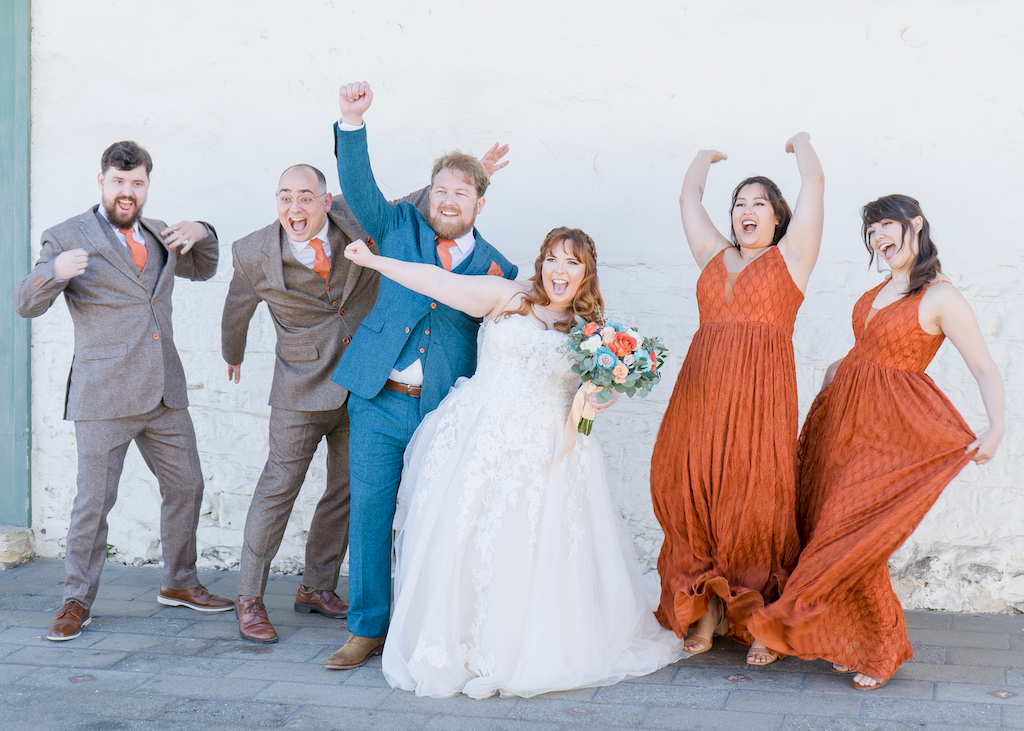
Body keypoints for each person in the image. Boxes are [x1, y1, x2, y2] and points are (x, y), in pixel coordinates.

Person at [344, 226, 684, 698]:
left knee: (529, 544)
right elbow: (437, 282)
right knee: (468, 539)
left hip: (550, 447)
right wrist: (375, 262)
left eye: (572, 263)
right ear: (540, 263)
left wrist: (600, 396)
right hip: (482, 436)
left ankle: (522, 646)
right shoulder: (508, 297)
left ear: (586, 274)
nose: (559, 271)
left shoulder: (592, 333)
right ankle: (459, 645)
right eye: (552, 260)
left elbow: (595, 391)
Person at [222, 157, 503, 643]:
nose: (296, 207)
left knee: (345, 491)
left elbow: (423, 201)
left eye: (306, 197)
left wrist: (472, 175)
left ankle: (317, 586)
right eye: (286, 198)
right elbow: (236, 310)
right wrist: (234, 353)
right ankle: (250, 598)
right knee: (279, 485)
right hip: (300, 387)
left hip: (367, 380)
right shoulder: (251, 253)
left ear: (325, 201)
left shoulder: (353, 217)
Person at [750, 194, 1005, 690]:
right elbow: (862, 352)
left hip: (886, 434)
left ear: (917, 225)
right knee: (824, 523)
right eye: (871, 231)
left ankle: (874, 645)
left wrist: (996, 427)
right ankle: (849, 639)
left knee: (852, 535)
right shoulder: (882, 289)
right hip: (841, 420)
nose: (878, 237)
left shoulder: (940, 297)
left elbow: (983, 366)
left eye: (887, 225)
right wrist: (828, 382)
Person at [324, 81, 519, 670]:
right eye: (441, 190)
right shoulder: (398, 228)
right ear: (429, 195)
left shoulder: (499, 269)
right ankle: (366, 628)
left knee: (437, 520)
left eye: (462, 192)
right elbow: (358, 189)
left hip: (444, 409)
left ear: (480, 203)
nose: (449, 200)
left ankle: (424, 622)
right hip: (379, 401)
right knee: (371, 512)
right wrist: (351, 122)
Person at [13, 141, 233, 641]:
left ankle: (178, 580)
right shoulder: (66, 235)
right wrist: (54, 272)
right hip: (103, 394)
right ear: (102, 181)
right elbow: (25, 302)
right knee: (93, 503)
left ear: (147, 185)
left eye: (136, 183)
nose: (127, 192)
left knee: (187, 486)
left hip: (163, 393)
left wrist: (205, 231)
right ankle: (75, 600)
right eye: (118, 182)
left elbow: (203, 267)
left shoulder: (160, 233)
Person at [650, 133, 825, 665]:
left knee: (756, 505)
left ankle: (762, 622)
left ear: (778, 218)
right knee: (692, 495)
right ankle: (705, 612)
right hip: (700, 391)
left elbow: (815, 182)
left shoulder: (792, 258)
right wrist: (701, 159)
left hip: (760, 396)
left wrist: (802, 145)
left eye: (761, 203)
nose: (748, 211)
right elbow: (687, 200)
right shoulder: (713, 255)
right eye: (740, 203)